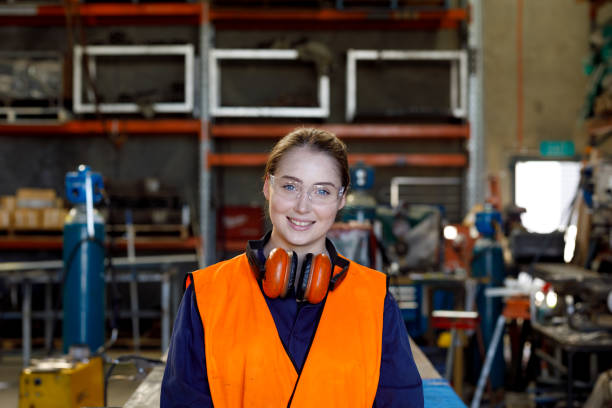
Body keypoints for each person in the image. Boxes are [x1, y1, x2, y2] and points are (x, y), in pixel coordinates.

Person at [161, 127, 424, 407]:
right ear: (267, 187)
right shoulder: (207, 294)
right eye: (290, 186)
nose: (302, 206)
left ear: (342, 198)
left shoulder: (374, 300)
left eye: (322, 191)